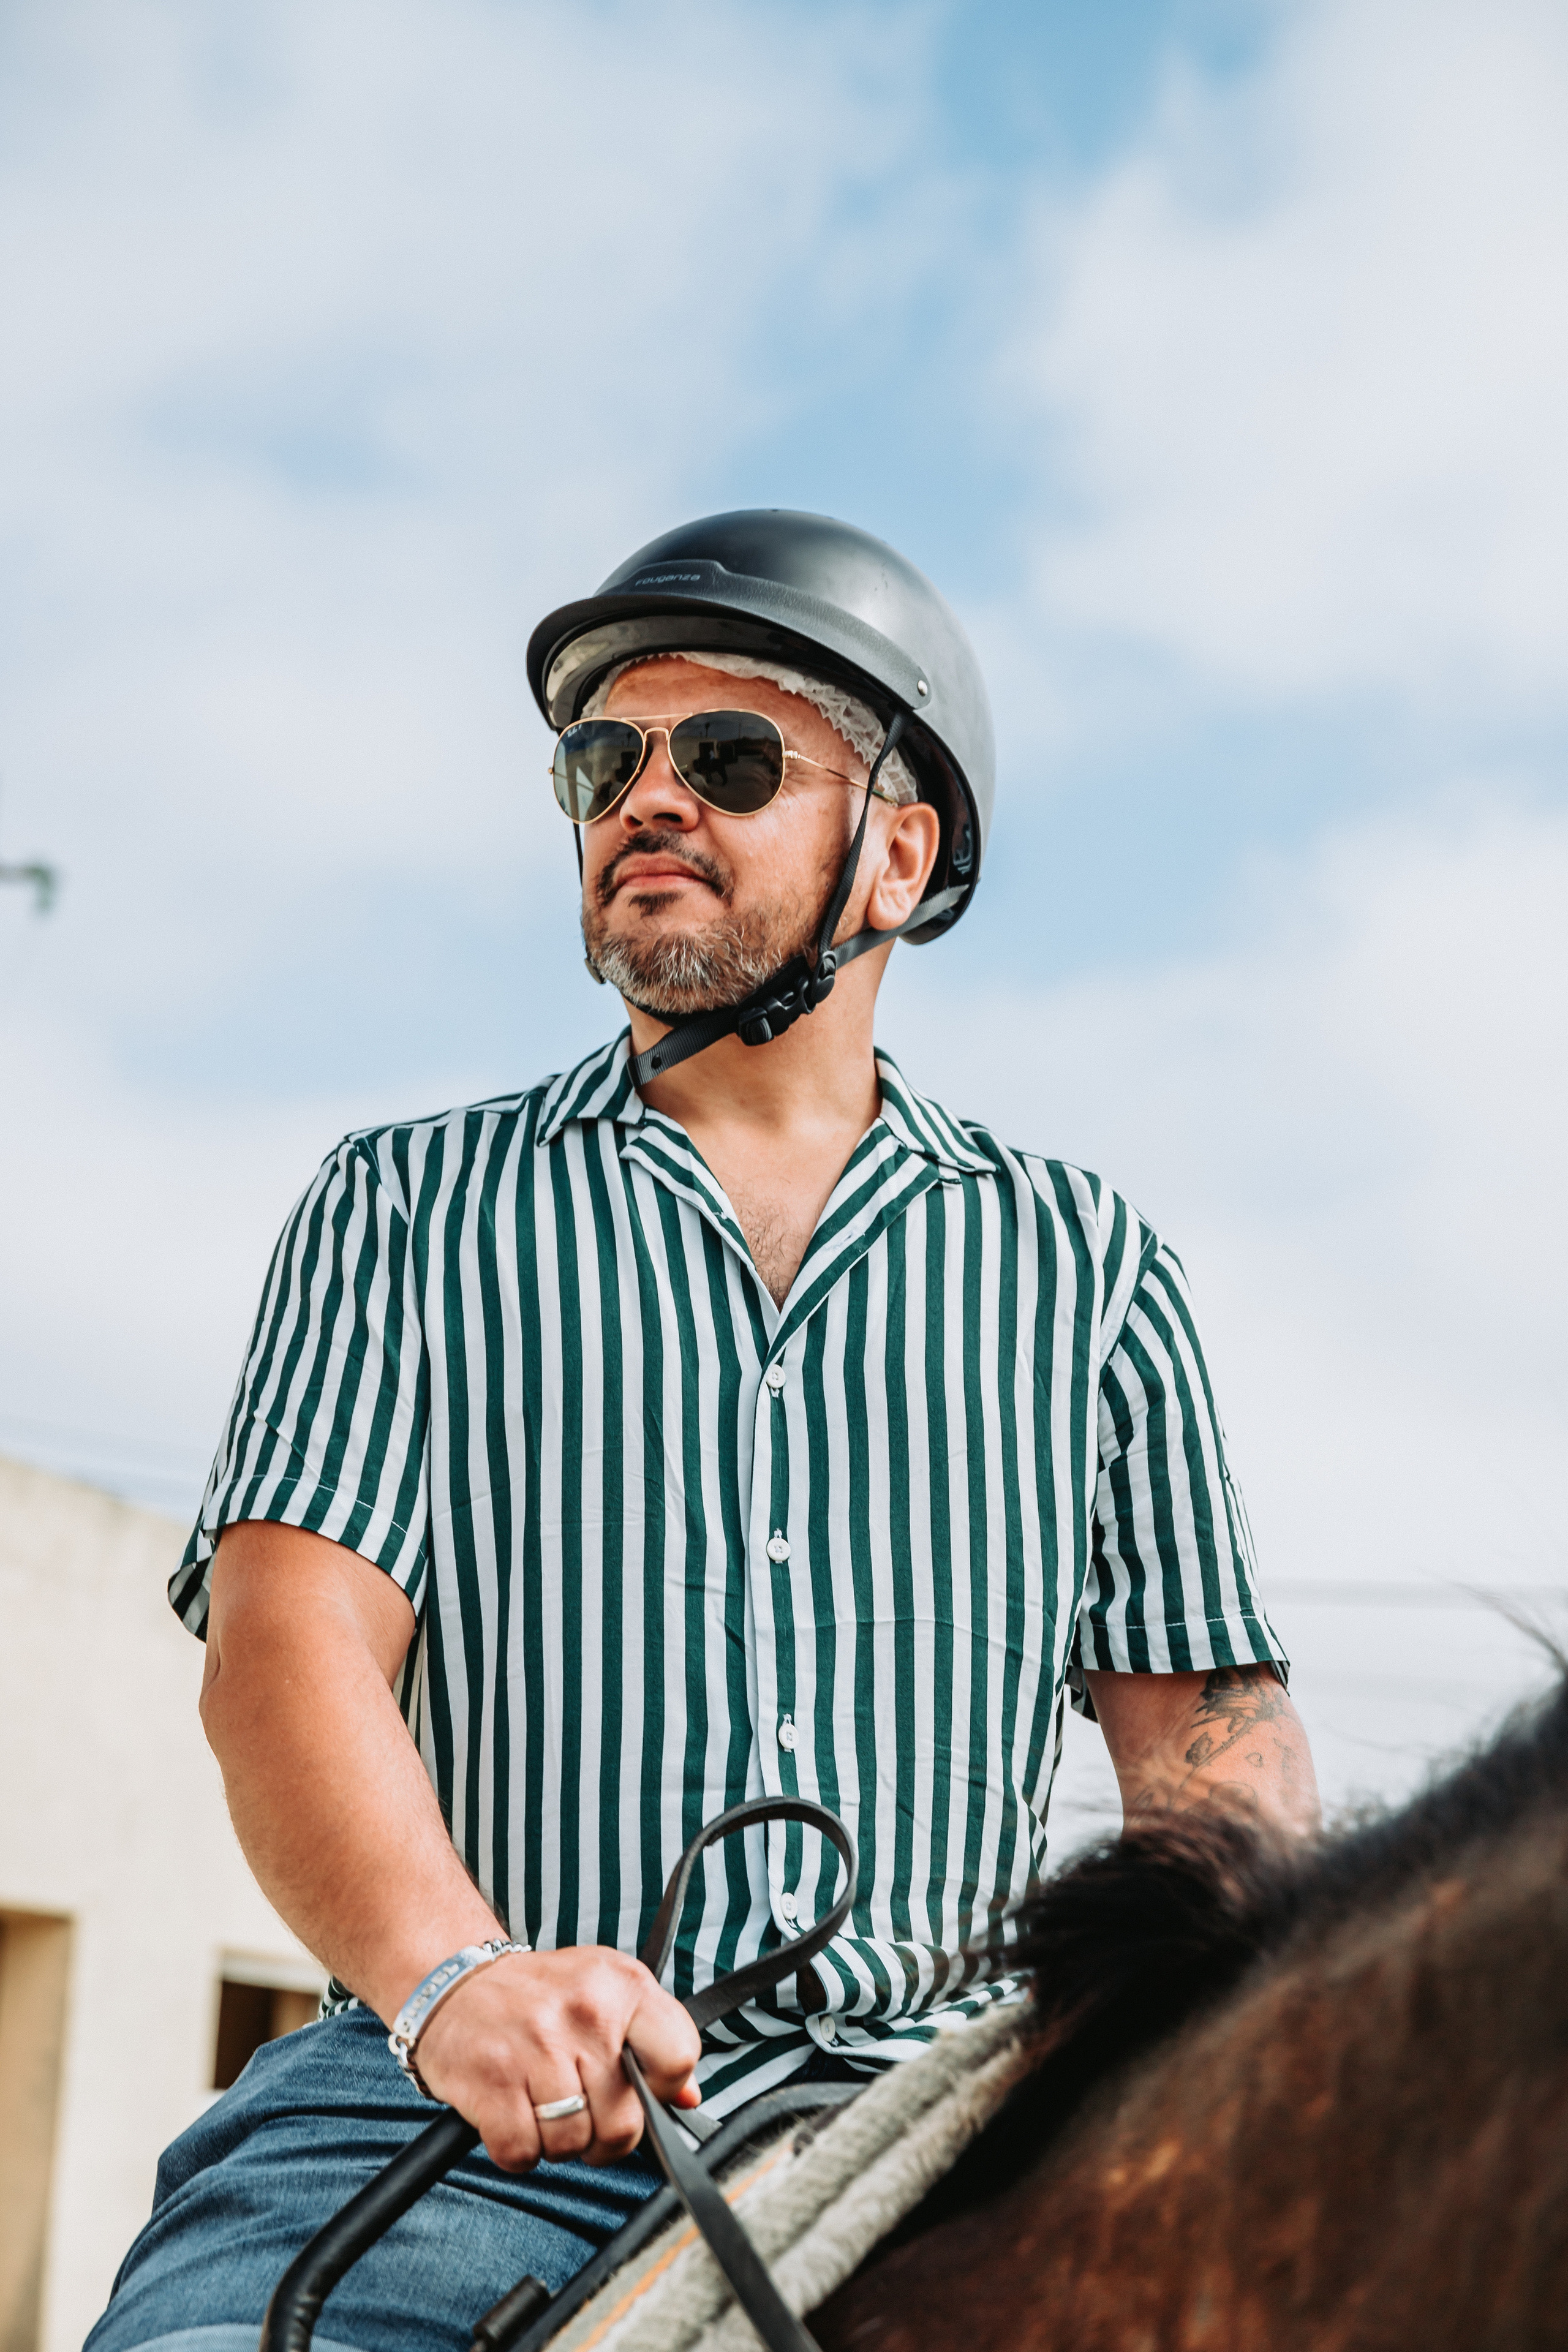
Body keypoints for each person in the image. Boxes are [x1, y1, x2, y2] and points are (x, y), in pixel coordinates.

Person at [89, 510, 1318, 2352]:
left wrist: (1178, 2034)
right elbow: (289, 1647)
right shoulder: (405, 1211)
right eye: (607, 761)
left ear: (896, 856)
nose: (646, 798)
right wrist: (455, 1981)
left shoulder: (1090, 1267)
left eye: (730, 758)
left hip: (928, 2128)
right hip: (462, 2124)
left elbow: (1209, 1741)